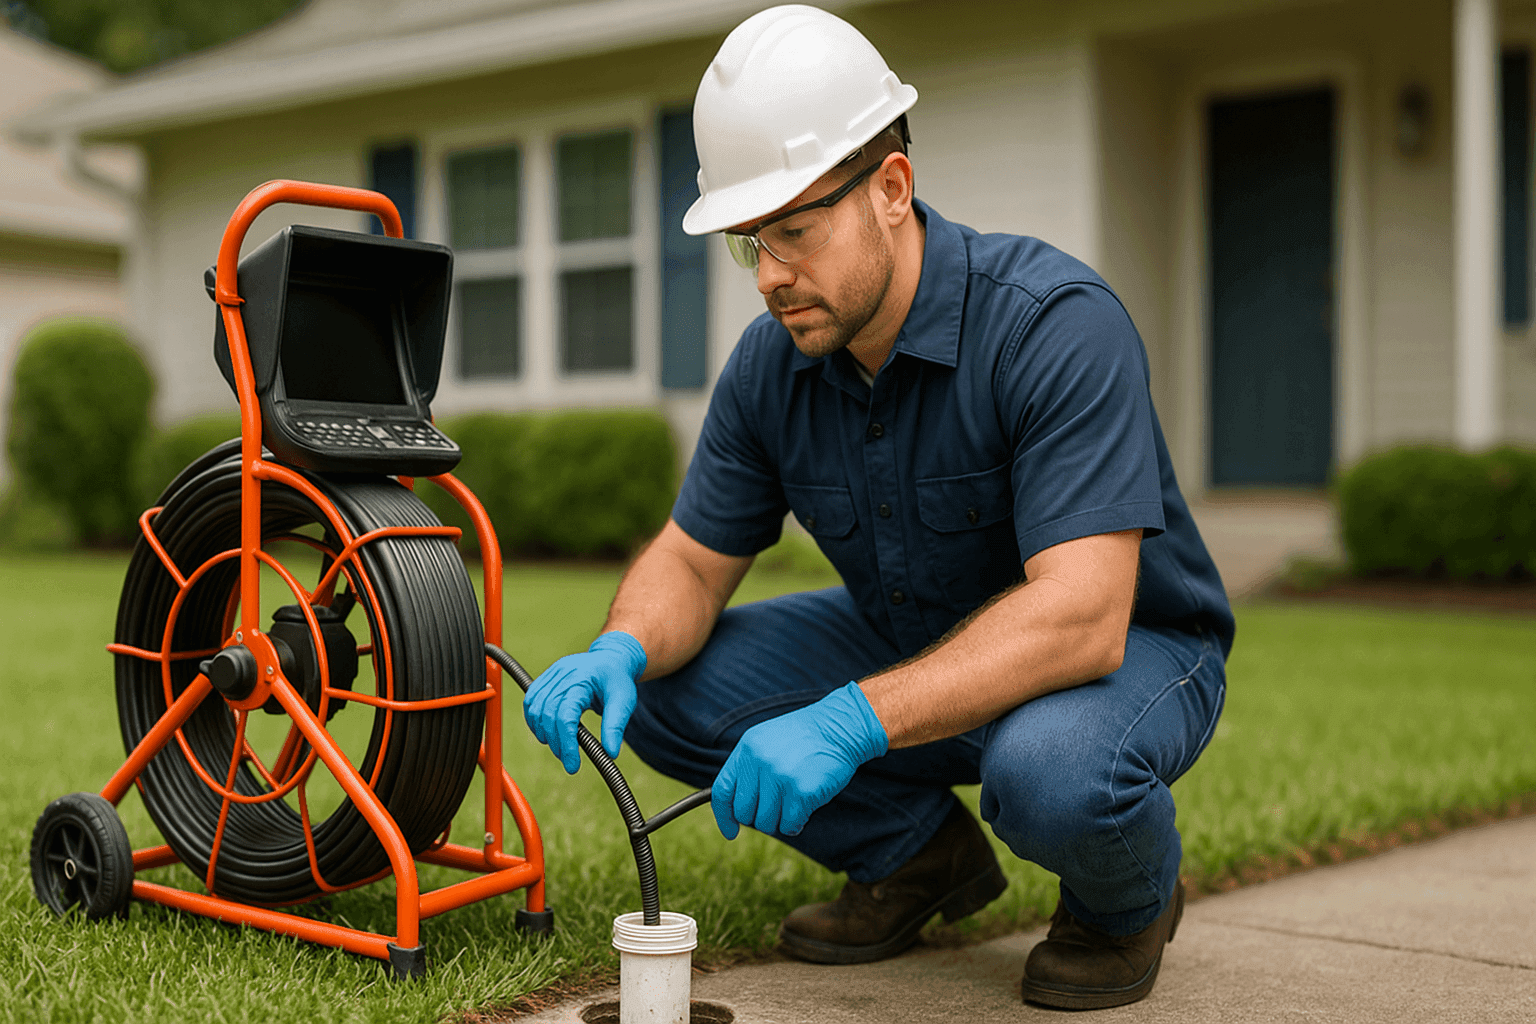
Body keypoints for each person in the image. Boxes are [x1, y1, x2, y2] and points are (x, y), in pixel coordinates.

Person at [522, 4, 1232, 1010]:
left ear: (891, 189)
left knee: (1050, 777)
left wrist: (851, 720)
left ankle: (1127, 905)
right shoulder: (775, 366)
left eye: (792, 233)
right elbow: (689, 559)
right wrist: (621, 647)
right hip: (917, 632)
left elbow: (1082, 611)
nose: (768, 276)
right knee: (674, 691)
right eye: (747, 244)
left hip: (1130, 649)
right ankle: (917, 858)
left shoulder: (1052, 327)